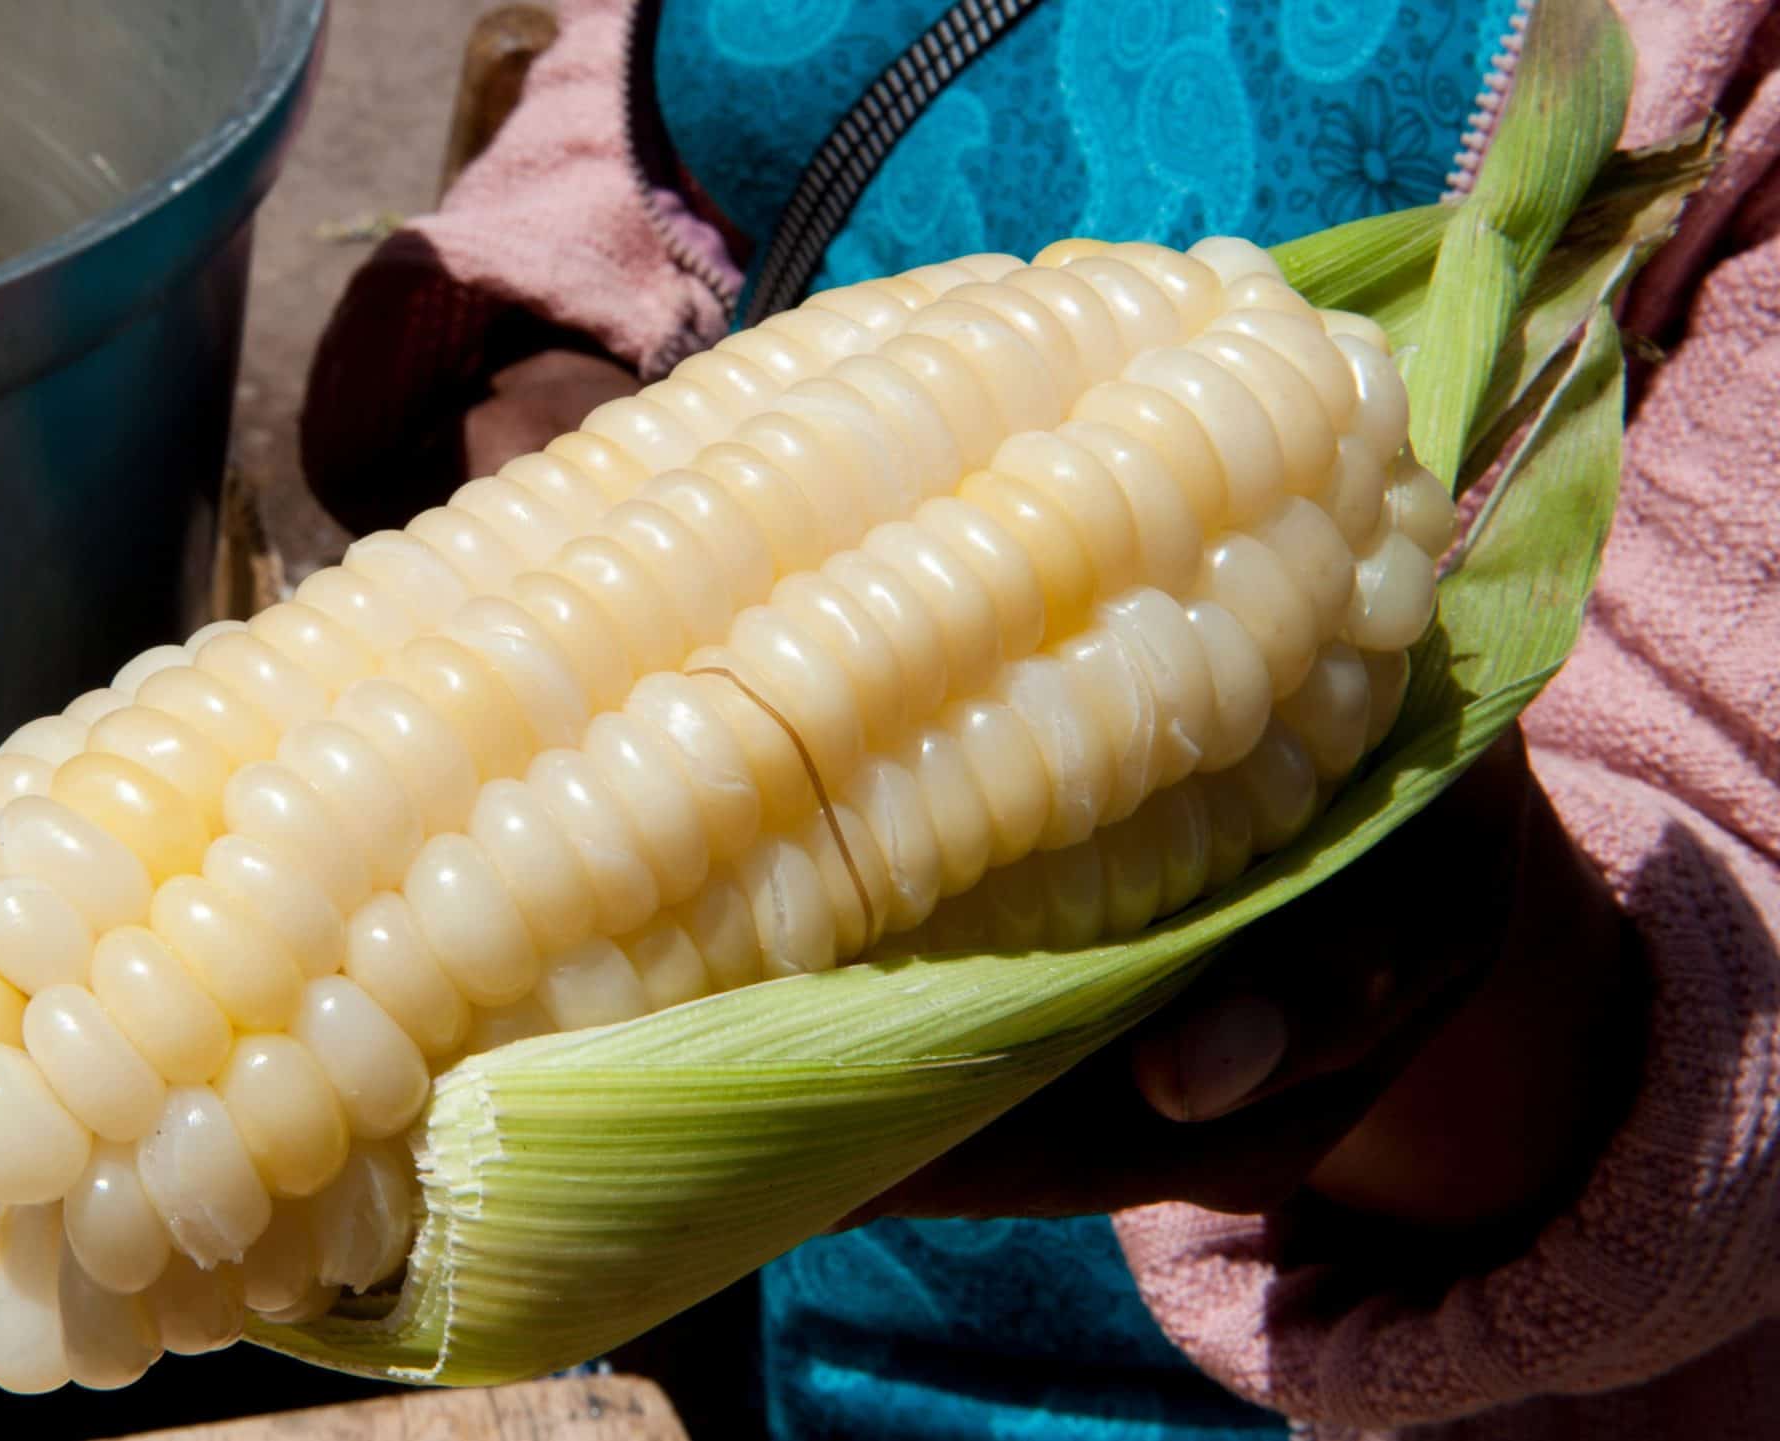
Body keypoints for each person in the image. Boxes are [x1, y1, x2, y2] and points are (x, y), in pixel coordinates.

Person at [295, 0, 1780, 1436]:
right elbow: (652, 78)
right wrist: (550, 348)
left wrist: (1470, 994)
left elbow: (1736, 1061)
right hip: (705, 1295)